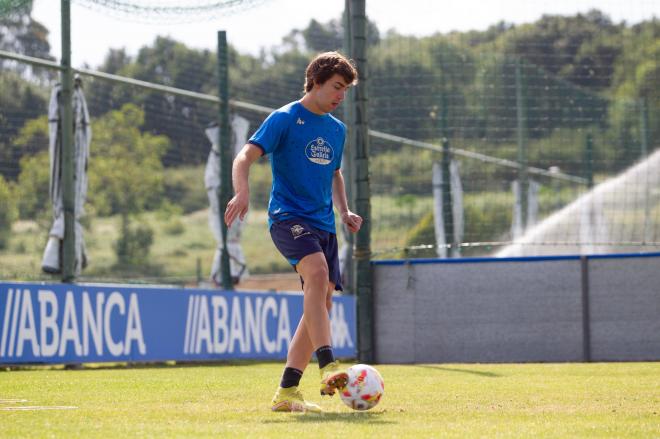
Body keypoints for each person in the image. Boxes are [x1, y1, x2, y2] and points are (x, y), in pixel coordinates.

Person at [224, 51, 362, 413]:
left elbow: (334, 173)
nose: (340, 96)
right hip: (287, 218)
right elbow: (244, 157)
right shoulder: (284, 118)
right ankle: (329, 363)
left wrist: (343, 210)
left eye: (345, 90)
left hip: (323, 225)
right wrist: (242, 191)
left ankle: (287, 391)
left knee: (322, 300)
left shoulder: (337, 129)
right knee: (317, 274)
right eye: (336, 87)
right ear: (315, 82)